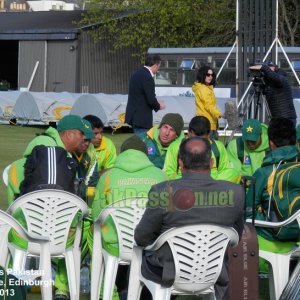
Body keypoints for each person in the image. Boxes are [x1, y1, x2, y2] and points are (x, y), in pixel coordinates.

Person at [135, 137, 245, 300]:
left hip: (168, 272)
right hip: (213, 271)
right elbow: (236, 235)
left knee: (141, 256)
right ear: (212, 162)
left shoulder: (163, 191)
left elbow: (141, 237)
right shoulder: (235, 192)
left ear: (180, 163)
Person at [7, 115, 95, 300]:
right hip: (59, 238)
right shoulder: (63, 162)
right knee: (86, 227)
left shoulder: (21, 163)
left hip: (24, 236)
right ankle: (63, 287)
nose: (87, 141)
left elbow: (12, 204)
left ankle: (19, 283)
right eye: (83, 136)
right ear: (68, 134)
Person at [91, 135, 166, 299]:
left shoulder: (108, 177)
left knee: (99, 234)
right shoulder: (160, 176)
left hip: (117, 245)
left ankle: (120, 290)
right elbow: (168, 214)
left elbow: (96, 214)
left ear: (122, 154)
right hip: (151, 246)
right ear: (145, 154)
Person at [246, 118, 299, 272]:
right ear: (295, 140)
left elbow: (249, 212)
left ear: (271, 143)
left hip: (272, 236)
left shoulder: (263, 172)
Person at [164, 116, 240, 183]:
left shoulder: (218, 147)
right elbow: (168, 173)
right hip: (185, 185)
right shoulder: (176, 146)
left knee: (234, 173)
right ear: (188, 132)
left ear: (209, 134)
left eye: (202, 139)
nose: (198, 143)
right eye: (194, 138)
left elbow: (226, 171)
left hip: (211, 185)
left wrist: (210, 182)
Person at [125, 53, 166, 134]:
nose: (158, 70)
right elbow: (150, 98)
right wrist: (159, 105)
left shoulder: (136, 74)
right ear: (155, 65)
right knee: (143, 144)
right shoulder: (147, 77)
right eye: (159, 66)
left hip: (134, 116)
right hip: (142, 119)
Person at [192, 66, 225, 140]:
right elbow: (209, 105)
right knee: (210, 149)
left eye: (212, 75)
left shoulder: (206, 88)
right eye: (208, 75)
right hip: (207, 124)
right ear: (202, 75)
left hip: (208, 123)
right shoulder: (203, 89)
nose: (210, 77)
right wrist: (220, 114)